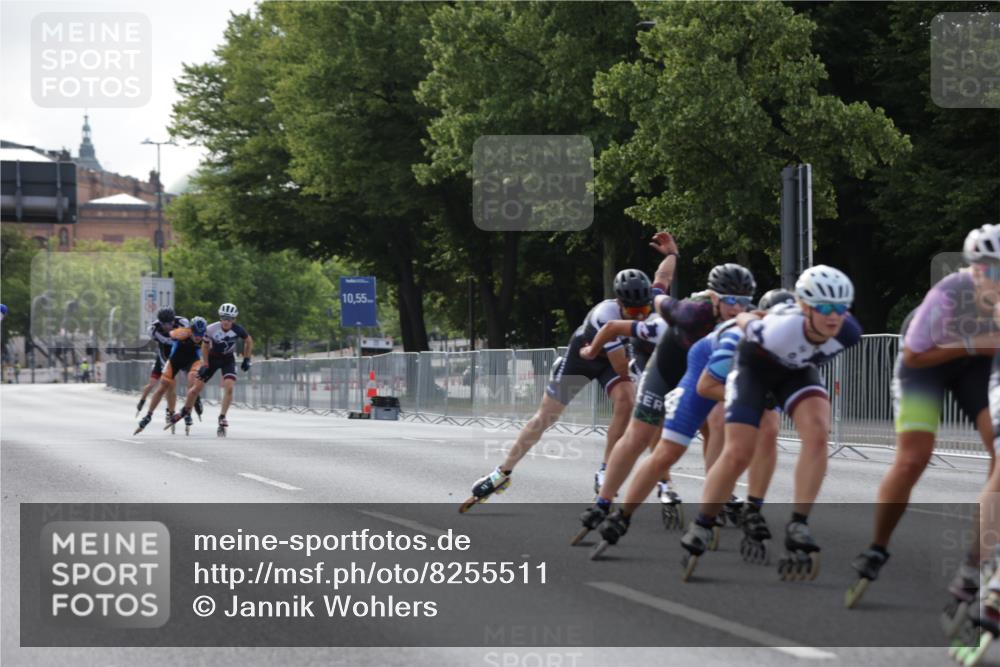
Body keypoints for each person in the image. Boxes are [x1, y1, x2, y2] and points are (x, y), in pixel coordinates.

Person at [459, 232, 681, 512]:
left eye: (644, 308)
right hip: (583, 358)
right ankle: (502, 472)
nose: (640, 314)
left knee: (628, 402)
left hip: (612, 359)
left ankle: (606, 469)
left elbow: (663, 277)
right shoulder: (606, 315)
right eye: (634, 309)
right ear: (620, 302)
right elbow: (621, 366)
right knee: (546, 417)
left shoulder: (649, 299)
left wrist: (672, 254)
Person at [846, 224, 1000, 621]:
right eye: (990, 270)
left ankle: (975, 563)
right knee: (913, 458)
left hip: (977, 370)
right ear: (974, 269)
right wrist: (974, 343)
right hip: (926, 365)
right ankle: (878, 546)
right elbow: (914, 356)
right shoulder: (950, 293)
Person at [680, 265, 861, 582]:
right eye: (825, 308)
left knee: (818, 433)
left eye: (841, 308)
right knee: (738, 452)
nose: (834, 316)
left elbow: (805, 358)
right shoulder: (779, 329)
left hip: (795, 371)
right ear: (805, 307)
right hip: (755, 368)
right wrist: (753, 317)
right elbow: (743, 320)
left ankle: (798, 523)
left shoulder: (849, 331)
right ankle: (703, 522)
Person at [587, 289, 796, 559]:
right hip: (687, 370)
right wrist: (592, 350)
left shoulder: (803, 343)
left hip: (734, 376)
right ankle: (615, 511)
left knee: (764, 429)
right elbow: (706, 386)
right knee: (660, 446)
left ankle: (739, 506)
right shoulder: (700, 321)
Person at [575, 264, 757, 548]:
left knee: (716, 425)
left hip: (702, 375)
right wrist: (591, 351)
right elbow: (617, 324)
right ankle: (603, 502)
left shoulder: (749, 321)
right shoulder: (688, 313)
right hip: (665, 367)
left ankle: (718, 496)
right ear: (713, 297)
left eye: (743, 302)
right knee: (640, 435)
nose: (737, 309)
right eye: (730, 301)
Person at [169, 303, 252, 436]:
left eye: (229, 319)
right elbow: (205, 347)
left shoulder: (238, 329)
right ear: (220, 318)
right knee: (196, 389)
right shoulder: (211, 329)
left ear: (234, 320)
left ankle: (222, 416)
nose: (226, 321)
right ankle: (185, 410)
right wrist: (205, 364)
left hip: (228, 360)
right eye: (224, 318)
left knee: (229, 387)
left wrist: (247, 358)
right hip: (212, 358)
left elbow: (249, 340)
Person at [134, 317, 208, 435]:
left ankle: (190, 408)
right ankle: (148, 416)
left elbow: (209, 351)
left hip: (192, 361)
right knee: (163, 386)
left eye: (201, 334)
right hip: (175, 361)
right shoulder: (183, 332)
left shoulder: (206, 337)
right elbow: (169, 336)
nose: (198, 337)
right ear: (191, 330)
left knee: (193, 377)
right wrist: (172, 335)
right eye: (195, 333)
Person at [136, 308, 190, 421]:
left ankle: (182, 409)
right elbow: (161, 350)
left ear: (173, 320)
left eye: (170, 323)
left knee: (186, 379)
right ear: (159, 322)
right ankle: (169, 411)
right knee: (168, 384)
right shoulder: (153, 329)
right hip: (164, 356)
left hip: (179, 352)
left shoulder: (183, 323)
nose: (167, 327)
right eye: (164, 324)